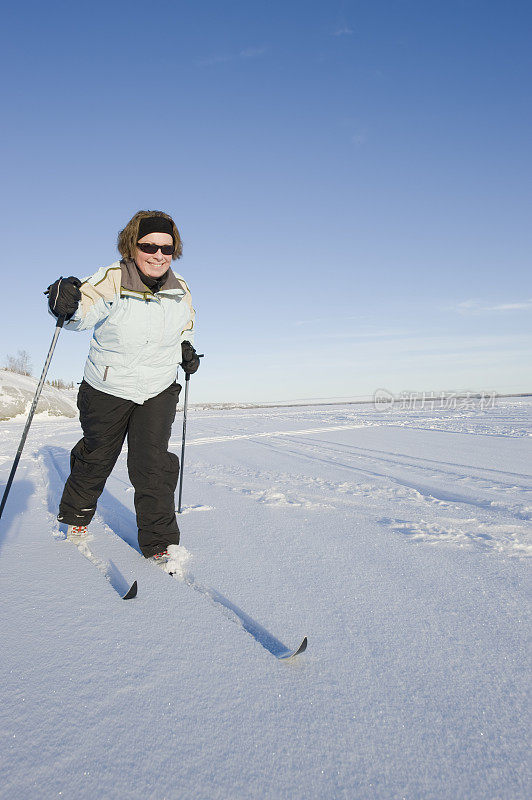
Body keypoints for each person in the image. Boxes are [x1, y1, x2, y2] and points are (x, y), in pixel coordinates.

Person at [45, 210, 200, 568]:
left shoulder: (181, 289)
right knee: (97, 456)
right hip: (107, 387)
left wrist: (186, 349)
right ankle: (76, 514)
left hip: (158, 388)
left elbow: (186, 325)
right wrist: (64, 303)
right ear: (133, 245)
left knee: (152, 465)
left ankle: (160, 541)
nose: (158, 254)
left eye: (167, 247)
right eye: (149, 246)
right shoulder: (113, 278)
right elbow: (82, 312)